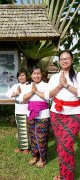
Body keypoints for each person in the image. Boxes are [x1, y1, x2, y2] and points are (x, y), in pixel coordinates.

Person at [45, 50, 80, 180]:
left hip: (74, 115)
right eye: (62, 59)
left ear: (72, 60)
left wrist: (66, 85)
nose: (64, 60)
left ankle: (67, 177)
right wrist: (60, 86)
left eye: (67, 58)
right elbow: (48, 95)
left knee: (66, 145)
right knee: (61, 146)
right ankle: (63, 174)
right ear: (59, 62)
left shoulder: (78, 76)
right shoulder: (54, 77)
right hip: (56, 114)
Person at [19, 65, 50, 168]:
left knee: (42, 137)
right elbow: (23, 99)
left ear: (41, 74)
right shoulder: (27, 86)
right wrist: (32, 91)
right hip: (31, 114)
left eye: (38, 73)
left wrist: (36, 91)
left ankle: (42, 158)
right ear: (31, 75)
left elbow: (48, 97)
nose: (36, 76)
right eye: (34, 73)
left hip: (43, 114)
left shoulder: (46, 85)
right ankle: (35, 156)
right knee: (32, 136)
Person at [6, 68, 29, 153]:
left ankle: (26, 148)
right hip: (18, 110)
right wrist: (16, 93)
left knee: (26, 129)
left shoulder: (30, 85)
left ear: (26, 76)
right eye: (19, 76)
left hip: (27, 110)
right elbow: (7, 94)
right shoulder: (15, 86)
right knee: (20, 129)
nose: (21, 77)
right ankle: (21, 147)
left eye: (23, 75)